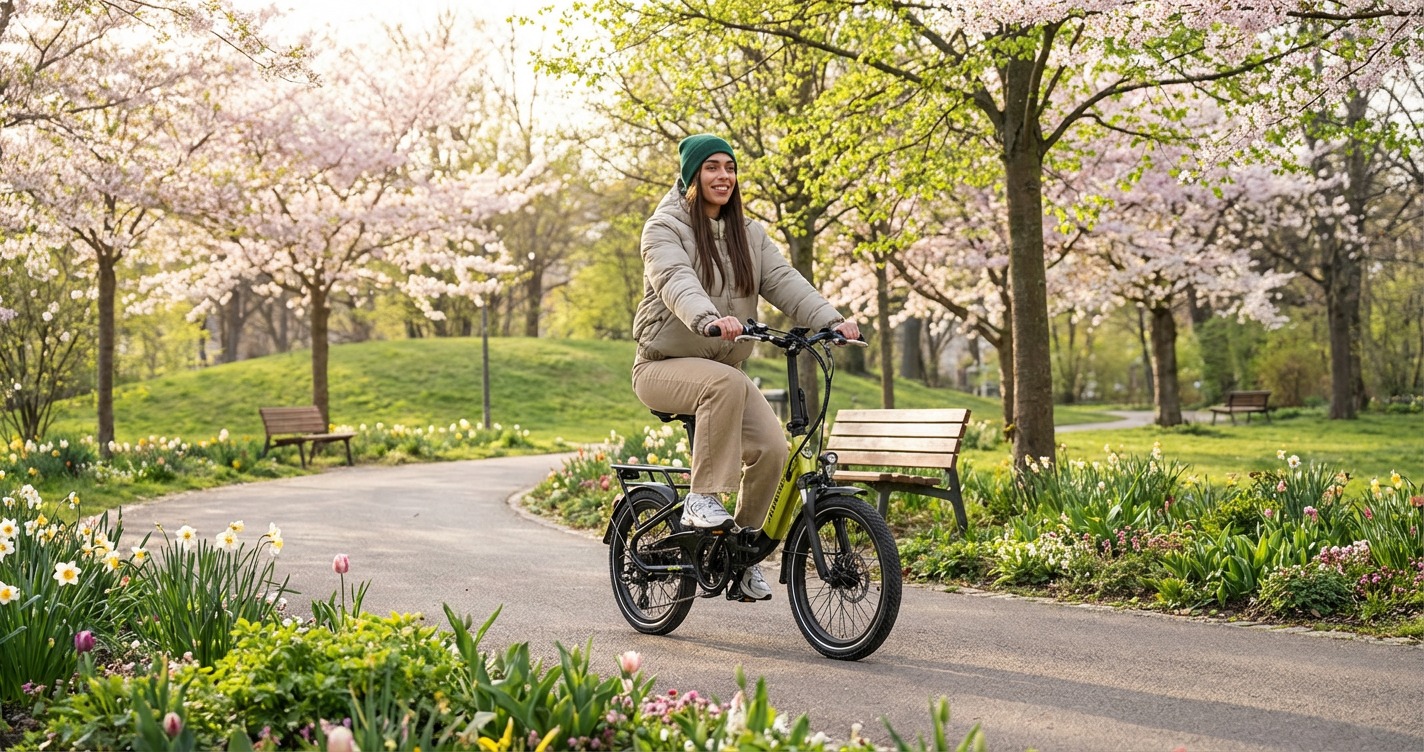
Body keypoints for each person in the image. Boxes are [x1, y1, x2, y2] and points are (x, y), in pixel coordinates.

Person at [630, 133, 860, 601]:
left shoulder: (749, 235)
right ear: (691, 176)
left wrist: (831, 321)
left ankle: (743, 554)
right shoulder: (664, 228)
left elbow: (784, 281)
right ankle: (702, 499)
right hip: (661, 367)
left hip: (722, 376)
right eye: (711, 167)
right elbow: (675, 278)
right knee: (723, 383)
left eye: (730, 168)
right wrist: (707, 319)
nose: (723, 177)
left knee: (776, 451)